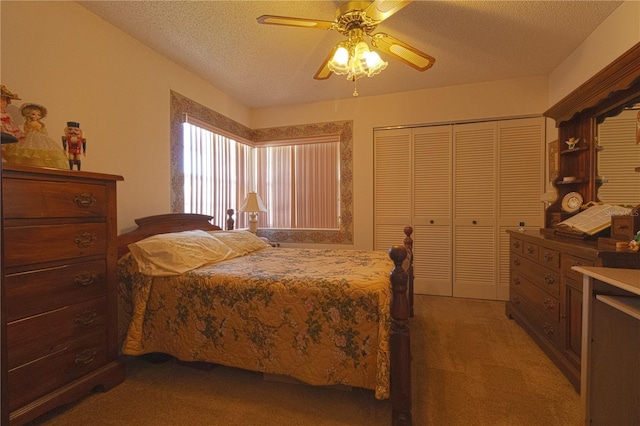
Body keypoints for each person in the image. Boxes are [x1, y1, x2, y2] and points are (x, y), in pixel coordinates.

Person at [2, 102, 68, 169]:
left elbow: (43, 131)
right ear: (28, 115)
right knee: (28, 151)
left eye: (38, 115)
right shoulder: (29, 123)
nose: (36, 116)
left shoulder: (39, 123)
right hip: (30, 136)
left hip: (40, 137)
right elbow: (27, 129)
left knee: (43, 151)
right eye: (33, 114)